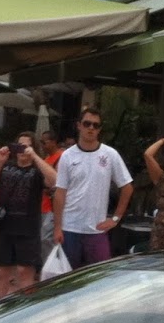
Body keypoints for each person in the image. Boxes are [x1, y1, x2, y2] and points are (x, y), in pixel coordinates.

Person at [52, 107, 134, 268]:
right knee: (68, 279)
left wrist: (116, 218)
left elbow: (127, 187)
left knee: (100, 277)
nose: (91, 128)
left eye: (95, 125)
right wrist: (57, 227)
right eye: (87, 123)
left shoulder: (110, 154)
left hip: (97, 229)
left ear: (99, 129)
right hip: (70, 227)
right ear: (79, 125)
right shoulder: (67, 156)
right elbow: (60, 193)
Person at [0, 139, 57, 295]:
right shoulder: (6, 167)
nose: (23, 149)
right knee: (1, 272)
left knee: (25, 271)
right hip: (4, 226)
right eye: (19, 145)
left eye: (27, 145)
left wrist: (35, 156)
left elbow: (54, 180)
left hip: (28, 228)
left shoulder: (37, 171)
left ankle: (26, 312)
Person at [38, 130, 64, 245]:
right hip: (43, 205)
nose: (42, 146)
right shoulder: (46, 160)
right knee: (42, 239)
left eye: (44, 142)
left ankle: (51, 263)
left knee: (46, 239)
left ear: (53, 142)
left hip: (52, 207)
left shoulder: (62, 157)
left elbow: (60, 183)